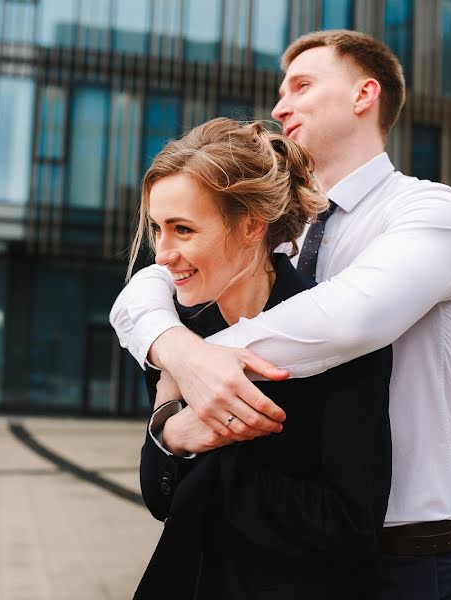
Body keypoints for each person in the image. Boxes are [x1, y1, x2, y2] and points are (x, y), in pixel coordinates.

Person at [111, 30, 451, 599]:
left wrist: (191, 371)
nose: (278, 106)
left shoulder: (428, 211)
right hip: (289, 559)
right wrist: (175, 348)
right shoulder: (276, 236)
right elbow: (147, 288)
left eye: (302, 86)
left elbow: (349, 321)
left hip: (412, 553)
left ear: (365, 94)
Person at [128, 117, 393, 599]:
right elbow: (157, 493)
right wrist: (172, 435)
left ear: (250, 226)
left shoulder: (339, 338)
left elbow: (351, 525)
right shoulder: (180, 332)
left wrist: (208, 448)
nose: (162, 254)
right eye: (157, 230)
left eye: (183, 229)